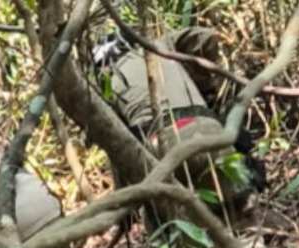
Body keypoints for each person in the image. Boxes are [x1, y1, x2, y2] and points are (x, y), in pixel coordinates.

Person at [90, 25, 266, 221]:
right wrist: (204, 87)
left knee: (177, 226)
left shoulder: (109, 85)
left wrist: (124, 211)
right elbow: (207, 36)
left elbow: (119, 149)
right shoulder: (160, 46)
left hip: (162, 148)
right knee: (242, 212)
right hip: (210, 130)